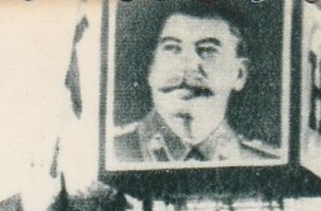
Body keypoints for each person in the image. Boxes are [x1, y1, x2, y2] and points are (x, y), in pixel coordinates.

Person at [112, 2, 277, 165]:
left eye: (207, 50)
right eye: (172, 48)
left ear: (239, 74)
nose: (187, 66)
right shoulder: (112, 153)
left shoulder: (267, 164)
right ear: (150, 67)